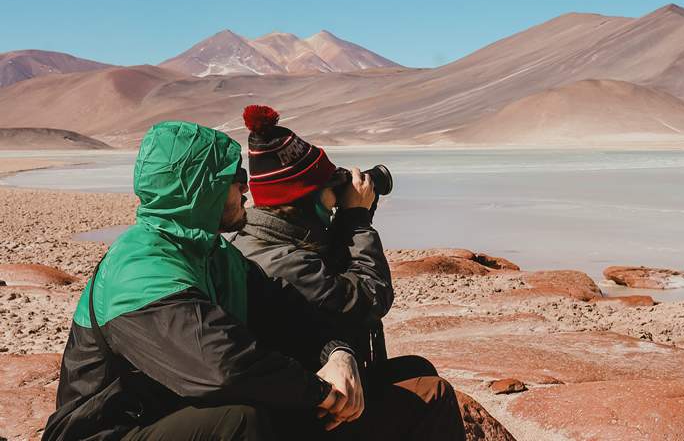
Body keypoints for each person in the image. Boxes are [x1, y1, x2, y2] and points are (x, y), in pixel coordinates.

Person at [42, 120, 464, 441]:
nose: (247, 188)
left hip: (177, 410)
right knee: (241, 421)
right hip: (111, 430)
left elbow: (286, 314)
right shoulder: (139, 269)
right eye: (234, 179)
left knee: (412, 381)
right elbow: (224, 367)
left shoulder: (215, 254)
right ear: (200, 189)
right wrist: (319, 393)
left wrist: (336, 354)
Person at [231, 105, 393, 368]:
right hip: (312, 390)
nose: (335, 197)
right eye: (331, 187)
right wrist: (356, 221)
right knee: (431, 387)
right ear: (307, 199)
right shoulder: (284, 261)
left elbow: (333, 279)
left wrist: (345, 221)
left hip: (300, 373)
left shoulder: (265, 238)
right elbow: (371, 299)